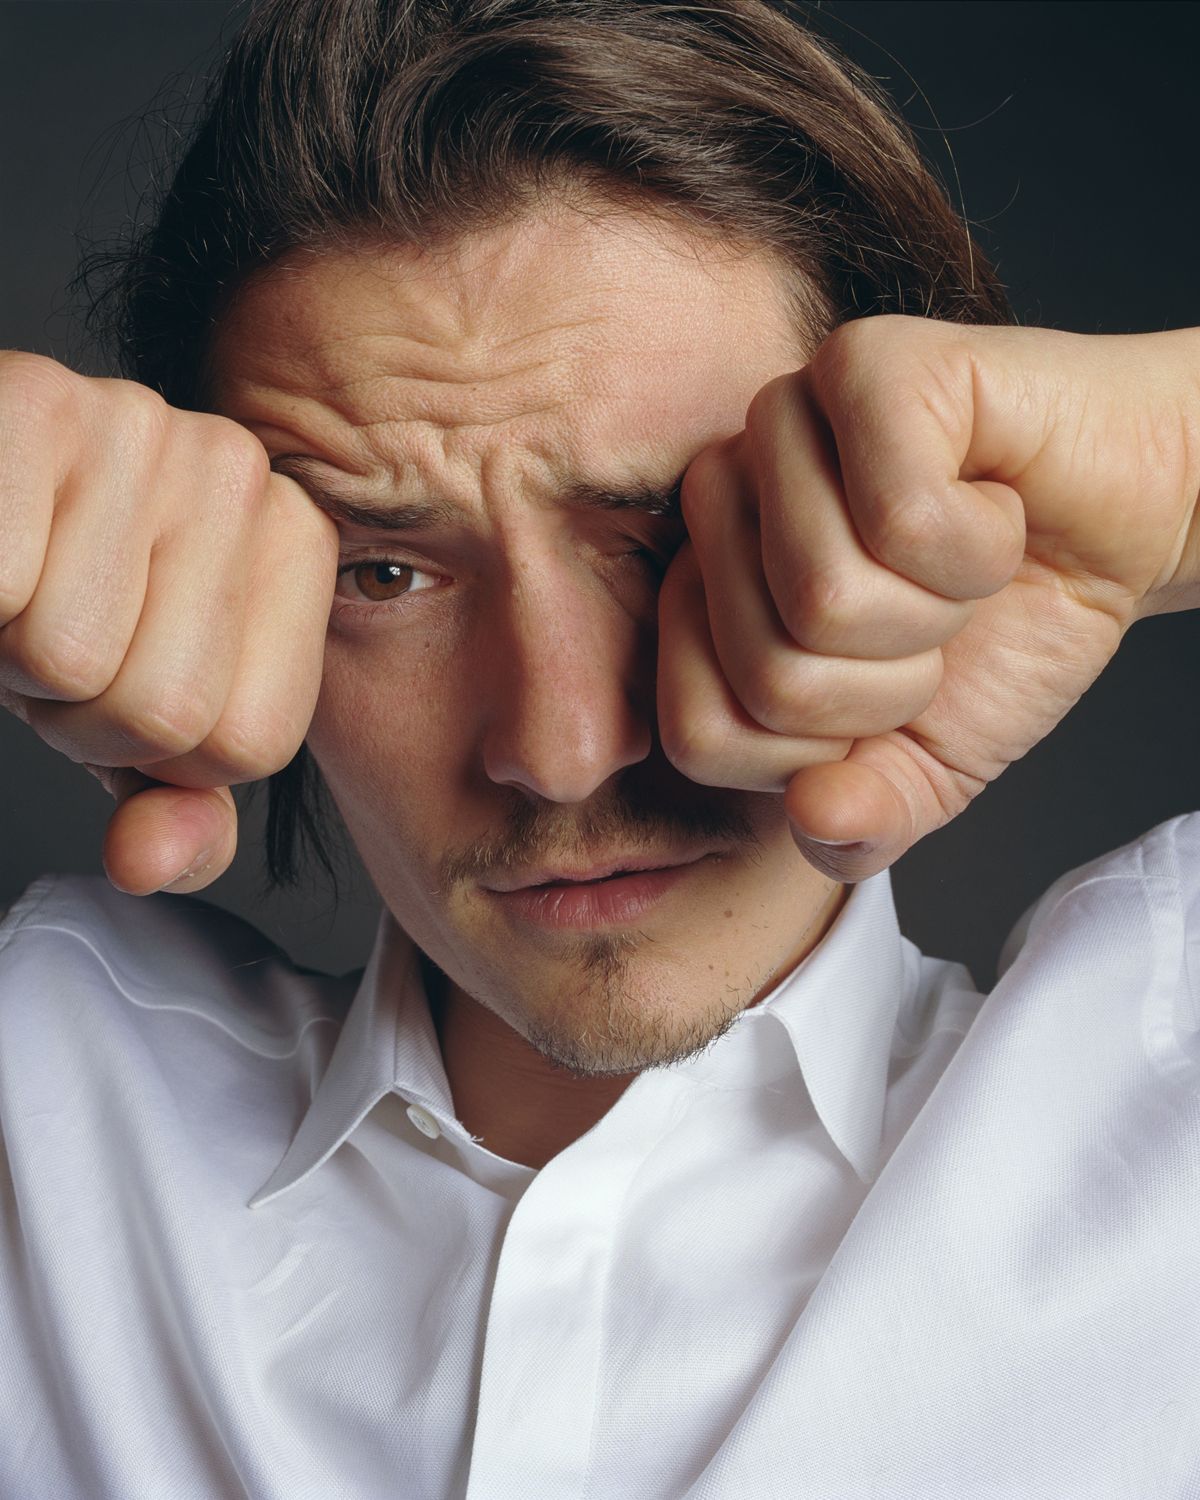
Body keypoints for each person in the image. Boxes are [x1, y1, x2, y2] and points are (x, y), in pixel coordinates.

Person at [1, 0, 1197, 1495]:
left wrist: (1173, 464)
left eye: (666, 535)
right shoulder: (43, 1116)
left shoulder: (1166, 1093)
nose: (558, 751)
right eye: (383, 574)